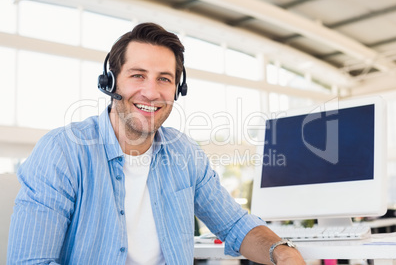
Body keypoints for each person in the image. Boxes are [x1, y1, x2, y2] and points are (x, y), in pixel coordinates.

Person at [7, 22, 305, 265]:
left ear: (178, 89)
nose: (151, 92)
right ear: (110, 83)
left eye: (164, 79)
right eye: (138, 75)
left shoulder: (185, 153)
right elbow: (31, 261)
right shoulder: (62, 152)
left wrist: (282, 251)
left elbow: (235, 226)